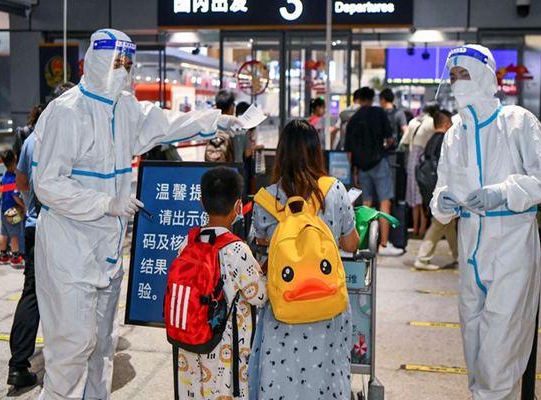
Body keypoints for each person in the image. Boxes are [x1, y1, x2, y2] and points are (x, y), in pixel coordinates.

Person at [32, 29, 241, 400]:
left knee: (103, 347)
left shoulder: (125, 109)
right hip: (69, 247)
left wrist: (216, 121)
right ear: (95, 61)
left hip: (108, 249)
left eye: (128, 64)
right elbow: (47, 184)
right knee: (72, 347)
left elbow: (168, 124)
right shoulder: (66, 113)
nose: (123, 71)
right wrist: (104, 204)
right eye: (116, 62)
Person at [431, 45, 541, 400]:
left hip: (511, 249)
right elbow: (443, 186)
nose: (458, 84)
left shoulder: (519, 123)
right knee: (473, 343)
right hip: (470, 247)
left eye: (465, 75)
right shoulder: (454, 135)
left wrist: (503, 192)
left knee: (501, 347)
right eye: (453, 77)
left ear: (487, 77)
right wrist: (442, 203)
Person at [251, 120, 360, 399]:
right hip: (328, 305)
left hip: (284, 306)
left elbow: (260, 245)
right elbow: (350, 243)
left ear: (282, 152)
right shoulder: (335, 190)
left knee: (281, 379)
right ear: (316, 151)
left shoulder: (266, 200)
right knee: (328, 375)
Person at [177, 167, 267, 400]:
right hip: (225, 351)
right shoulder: (237, 250)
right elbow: (260, 296)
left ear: (201, 202)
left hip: (188, 342)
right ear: (238, 206)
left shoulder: (187, 243)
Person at [7, 82, 75, 388]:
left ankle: (18, 364)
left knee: (32, 293)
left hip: (35, 227)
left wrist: (34, 197)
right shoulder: (74, 138)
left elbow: (21, 181)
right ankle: (66, 362)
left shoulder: (33, 139)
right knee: (70, 294)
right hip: (67, 230)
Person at [346, 87, 403, 256]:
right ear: (372, 98)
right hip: (379, 163)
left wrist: (356, 169)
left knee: (366, 203)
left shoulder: (353, 119)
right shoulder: (379, 114)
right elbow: (390, 139)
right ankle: (383, 245)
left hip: (362, 168)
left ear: (358, 99)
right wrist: (382, 149)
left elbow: (349, 153)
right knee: (385, 202)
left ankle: (363, 242)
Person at [414, 109, 458, 270]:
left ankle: (459, 255)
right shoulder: (445, 140)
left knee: (447, 223)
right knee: (439, 222)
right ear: (447, 123)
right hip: (441, 189)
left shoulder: (431, 140)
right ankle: (422, 258)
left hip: (430, 187)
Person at [401, 101, 439, 238]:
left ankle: (415, 228)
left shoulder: (413, 122)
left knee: (413, 196)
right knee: (424, 195)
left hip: (412, 162)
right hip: (425, 162)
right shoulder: (433, 122)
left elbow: (404, 142)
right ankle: (423, 228)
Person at [0, 149, 24, 267]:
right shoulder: (14, 179)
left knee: (4, 233)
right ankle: (15, 256)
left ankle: (3, 255)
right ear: (14, 163)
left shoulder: (3, 177)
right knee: (14, 234)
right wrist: (23, 206)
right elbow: (15, 196)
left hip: (3, 209)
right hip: (12, 211)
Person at [205, 89, 238, 162]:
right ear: (232, 107)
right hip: (225, 171)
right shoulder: (230, 130)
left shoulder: (211, 128)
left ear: (216, 106)